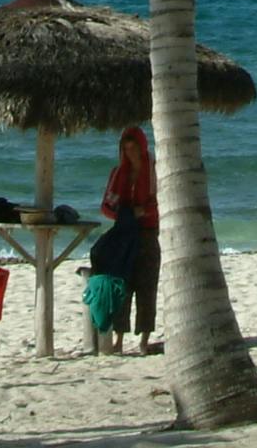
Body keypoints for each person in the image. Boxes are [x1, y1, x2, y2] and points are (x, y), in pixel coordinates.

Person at [100, 126, 161, 355]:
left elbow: (160, 202)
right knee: (122, 288)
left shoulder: (154, 171)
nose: (130, 153)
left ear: (143, 147)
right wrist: (127, 214)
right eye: (126, 149)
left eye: (134, 148)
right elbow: (106, 207)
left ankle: (144, 340)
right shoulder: (118, 174)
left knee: (147, 287)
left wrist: (143, 212)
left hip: (147, 234)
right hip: (124, 235)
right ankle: (118, 339)